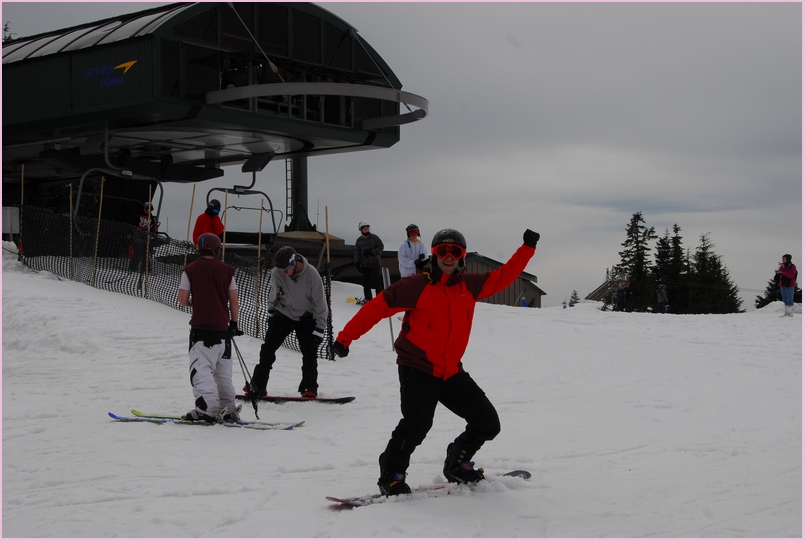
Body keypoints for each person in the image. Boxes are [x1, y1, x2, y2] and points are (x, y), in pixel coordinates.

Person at [332, 227, 540, 496]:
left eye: (455, 251)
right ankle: (391, 475)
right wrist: (345, 338)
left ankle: (457, 462)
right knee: (416, 426)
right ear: (434, 254)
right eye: (443, 251)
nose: (449, 256)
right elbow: (377, 307)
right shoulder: (416, 285)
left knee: (487, 422)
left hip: (451, 371)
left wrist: (527, 249)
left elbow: (504, 276)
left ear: (462, 256)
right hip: (417, 367)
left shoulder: (470, 285)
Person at [247, 246, 328, 398]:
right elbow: (274, 292)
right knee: (268, 349)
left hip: (306, 318)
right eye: (280, 270)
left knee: (309, 353)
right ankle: (258, 385)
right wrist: (271, 312)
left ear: (295, 264)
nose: (282, 273)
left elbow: (321, 305)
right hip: (283, 314)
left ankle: (309, 387)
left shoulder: (312, 275)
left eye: (286, 270)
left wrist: (320, 329)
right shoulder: (278, 272)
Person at [177, 233, 243, 422]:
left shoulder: (190, 270)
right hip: (223, 332)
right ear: (217, 249)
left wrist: (193, 303)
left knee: (201, 370)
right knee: (223, 373)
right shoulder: (227, 270)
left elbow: (182, 300)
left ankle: (207, 410)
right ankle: (228, 408)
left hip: (202, 331)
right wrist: (234, 324)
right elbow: (234, 301)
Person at [354, 221, 384, 301]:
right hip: (365, 265)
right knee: (365, 283)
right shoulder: (359, 241)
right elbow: (357, 252)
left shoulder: (375, 238)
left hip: (375, 264)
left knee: (377, 282)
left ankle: (380, 299)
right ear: (361, 230)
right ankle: (368, 299)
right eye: (364, 229)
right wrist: (357, 263)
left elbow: (381, 247)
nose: (366, 230)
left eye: (367, 228)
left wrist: (372, 252)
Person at [129, 202, 160, 272]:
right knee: (138, 251)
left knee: (146, 253)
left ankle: (146, 269)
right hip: (137, 236)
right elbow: (132, 224)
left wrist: (154, 230)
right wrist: (131, 234)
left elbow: (152, 228)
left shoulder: (151, 218)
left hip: (145, 237)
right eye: (147, 209)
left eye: (151, 209)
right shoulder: (138, 215)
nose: (149, 211)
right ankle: (133, 267)